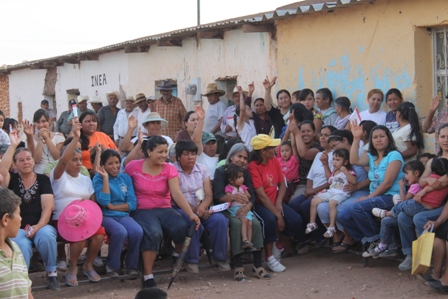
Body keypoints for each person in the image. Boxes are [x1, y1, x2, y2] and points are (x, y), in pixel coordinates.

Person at [125, 136, 200, 288]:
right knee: (153, 233)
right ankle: (148, 275)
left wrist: (191, 214)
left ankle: (176, 255)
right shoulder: (134, 167)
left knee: (182, 226)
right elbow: (124, 170)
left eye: (166, 152)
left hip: (165, 208)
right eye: (160, 152)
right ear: (149, 152)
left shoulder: (169, 168)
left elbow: (177, 193)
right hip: (143, 210)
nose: (164, 155)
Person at [0, 129, 60, 290]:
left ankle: (52, 273)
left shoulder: (43, 180)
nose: (26, 162)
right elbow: (2, 171)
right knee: (21, 243)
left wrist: (38, 226)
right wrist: (13, 146)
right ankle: (23, 279)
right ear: (14, 164)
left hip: (41, 224)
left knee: (47, 235)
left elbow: (48, 207)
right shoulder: (11, 179)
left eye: (28, 159)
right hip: (17, 227)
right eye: (21, 160)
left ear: (33, 161)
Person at [50, 120, 104, 286]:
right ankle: (72, 267)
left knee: (99, 232)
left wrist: (86, 205)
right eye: (74, 159)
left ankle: (88, 265)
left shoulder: (85, 179)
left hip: (84, 216)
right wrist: (75, 138)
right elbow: (63, 162)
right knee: (79, 235)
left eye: (80, 159)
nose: (79, 163)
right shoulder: (58, 175)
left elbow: (93, 204)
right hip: (63, 218)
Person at [337, 122, 404, 256]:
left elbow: (387, 183)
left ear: (388, 138)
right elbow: (354, 160)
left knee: (357, 208)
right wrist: (356, 138)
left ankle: (380, 241)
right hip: (376, 196)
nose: (378, 140)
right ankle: (375, 240)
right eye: (375, 137)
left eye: (382, 136)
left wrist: (368, 197)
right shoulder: (371, 156)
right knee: (343, 216)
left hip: (390, 196)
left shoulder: (394, 155)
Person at [213, 143, 270, 282]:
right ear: (231, 156)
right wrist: (233, 197)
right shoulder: (221, 171)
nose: (242, 160)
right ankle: (238, 265)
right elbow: (218, 195)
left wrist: (248, 206)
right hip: (227, 208)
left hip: (244, 207)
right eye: (239, 156)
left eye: (245, 158)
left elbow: (252, 194)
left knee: (255, 224)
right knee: (237, 224)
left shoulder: (245, 173)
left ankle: (257, 265)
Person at [172, 141, 229, 274]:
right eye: (186, 154)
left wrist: (202, 208)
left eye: (193, 154)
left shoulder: (202, 169)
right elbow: (175, 197)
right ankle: (192, 260)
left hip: (202, 207)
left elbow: (209, 194)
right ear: (178, 156)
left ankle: (220, 257)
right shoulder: (172, 170)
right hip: (181, 208)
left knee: (220, 220)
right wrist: (196, 211)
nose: (191, 157)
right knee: (194, 222)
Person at [248, 134, 302, 273]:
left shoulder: (274, 160)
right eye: (272, 147)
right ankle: (269, 257)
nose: (275, 149)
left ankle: (278, 245)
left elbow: (282, 184)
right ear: (262, 151)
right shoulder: (253, 166)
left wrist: (278, 203)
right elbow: (261, 195)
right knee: (270, 220)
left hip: (274, 201)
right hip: (260, 203)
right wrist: (278, 215)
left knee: (295, 220)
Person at [317, 130, 371, 253]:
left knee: (340, 208)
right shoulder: (339, 157)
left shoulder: (361, 154)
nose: (333, 150)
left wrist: (357, 186)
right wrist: (325, 164)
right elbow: (332, 179)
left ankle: (349, 236)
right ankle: (336, 234)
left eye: (335, 146)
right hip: (341, 193)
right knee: (321, 207)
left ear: (345, 140)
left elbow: (373, 176)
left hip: (360, 192)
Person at [93, 149, 142, 277]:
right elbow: (104, 201)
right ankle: (112, 266)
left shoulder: (125, 178)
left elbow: (132, 203)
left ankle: (132, 265)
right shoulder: (98, 179)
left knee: (137, 231)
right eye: (110, 164)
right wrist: (105, 179)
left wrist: (113, 207)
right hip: (105, 216)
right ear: (103, 166)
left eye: (117, 163)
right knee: (119, 232)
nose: (115, 167)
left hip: (122, 214)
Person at [288, 125, 337, 250]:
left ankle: (320, 235)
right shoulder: (319, 154)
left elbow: (332, 180)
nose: (323, 137)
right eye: (322, 134)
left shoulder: (336, 156)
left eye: (327, 135)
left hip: (326, 191)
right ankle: (304, 236)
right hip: (313, 191)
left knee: (305, 206)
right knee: (293, 205)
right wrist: (308, 191)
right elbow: (310, 177)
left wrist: (314, 191)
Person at [367, 160, 424, 258]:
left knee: (387, 217)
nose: (405, 177)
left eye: (407, 173)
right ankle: (385, 245)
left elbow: (405, 200)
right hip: (406, 212)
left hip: (411, 214)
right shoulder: (414, 185)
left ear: (416, 173)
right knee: (385, 222)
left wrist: (401, 187)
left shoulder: (416, 186)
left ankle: (389, 213)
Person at [306, 148, 356, 238]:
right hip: (331, 191)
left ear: (345, 162)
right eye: (333, 159)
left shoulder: (349, 171)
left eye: (338, 160)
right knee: (314, 201)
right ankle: (312, 223)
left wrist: (345, 171)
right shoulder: (334, 172)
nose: (334, 162)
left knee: (331, 203)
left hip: (342, 193)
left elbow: (353, 181)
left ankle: (332, 227)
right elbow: (330, 181)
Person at [0, 188, 35, 299]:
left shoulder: (15, 248)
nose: (21, 219)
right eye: (18, 214)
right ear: (5, 219)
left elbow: (27, 292)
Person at [289, 119, 324, 196]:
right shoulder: (298, 145)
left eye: (308, 131)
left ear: (314, 133)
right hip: (294, 183)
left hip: (308, 185)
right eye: (302, 131)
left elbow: (304, 154)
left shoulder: (318, 148)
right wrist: (293, 130)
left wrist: (297, 133)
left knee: (292, 202)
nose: (305, 134)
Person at [225, 164, 254, 249]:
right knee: (244, 220)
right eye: (239, 177)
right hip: (234, 209)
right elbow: (228, 198)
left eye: (242, 176)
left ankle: (249, 241)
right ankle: (244, 240)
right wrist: (236, 196)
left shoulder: (243, 187)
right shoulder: (229, 188)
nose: (242, 179)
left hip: (244, 207)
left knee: (250, 223)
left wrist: (244, 194)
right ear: (231, 180)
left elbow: (249, 196)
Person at [31, 109, 65, 174]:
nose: (41, 125)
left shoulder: (58, 136)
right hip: (39, 174)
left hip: (56, 173)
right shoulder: (31, 140)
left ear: (49, 121)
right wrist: (40, 140)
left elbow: (57, 157)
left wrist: (47, 138)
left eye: (44, 121)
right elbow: (36, 160)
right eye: (38, 122)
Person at [193, 106, 219, 180]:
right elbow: (197, 140)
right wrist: (201, 120)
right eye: (208, 143)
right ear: (203, 145)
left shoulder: (221, 158)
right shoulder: (201, 156)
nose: (211, 146)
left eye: (213, 143)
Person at [235, 85, 256, 151]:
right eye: (249, 109)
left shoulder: (252, 122)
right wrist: (241, 94)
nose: (251, 111)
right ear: (243, 113)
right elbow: (242, 109)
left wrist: (250, 92)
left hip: (255, 151)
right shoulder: (241, 124)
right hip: (247, 151)